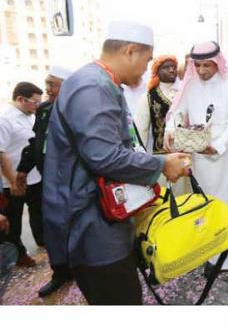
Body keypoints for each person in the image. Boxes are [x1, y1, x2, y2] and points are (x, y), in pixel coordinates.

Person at [42, 21, 191, 305]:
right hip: (92, 229)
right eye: (147, 62)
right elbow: (104, 156)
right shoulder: (92, 86)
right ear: (130, 51)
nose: (147, 69)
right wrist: (161, 165)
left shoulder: (100, 81)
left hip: (103, 220)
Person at [165, 41, 228, 274]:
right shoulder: (190, 86)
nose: (203, 70)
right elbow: (177, 112)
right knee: (207, 207)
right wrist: (171, 129)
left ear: (218, 62)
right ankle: (213, 256)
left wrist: (216, 146)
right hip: (202, 160)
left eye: (208, 65)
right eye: (199, 65)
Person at [16, 66, 74, 297]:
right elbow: (34, 142)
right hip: (48, 182)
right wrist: (22, 170)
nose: (48, 89)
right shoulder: (43, 110)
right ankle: (60, 273)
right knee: (54, 231)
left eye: (53, 84)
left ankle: (84, 271)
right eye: (47, 83)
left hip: (75, 182)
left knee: (79, 230)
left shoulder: (78, 110)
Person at [0, 82, 44, 267]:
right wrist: (12, 181)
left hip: (34, 177)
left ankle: (43, 242)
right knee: (14, 220)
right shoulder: (5, 120)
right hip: (13, 182)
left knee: (38, 213)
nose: (37, 105)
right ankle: (18, 255)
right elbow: (1, 153)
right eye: (34, 102)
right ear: (20, 99)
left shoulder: (31, 116)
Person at [136, 55, 180, 154]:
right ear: (157, 71)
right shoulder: (148, 97)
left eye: (174, 67)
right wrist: (139, 158)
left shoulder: (184, 93)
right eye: (166, 67)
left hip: (186, 154)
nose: (171, 70)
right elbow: (142, 131)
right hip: (162, 157)